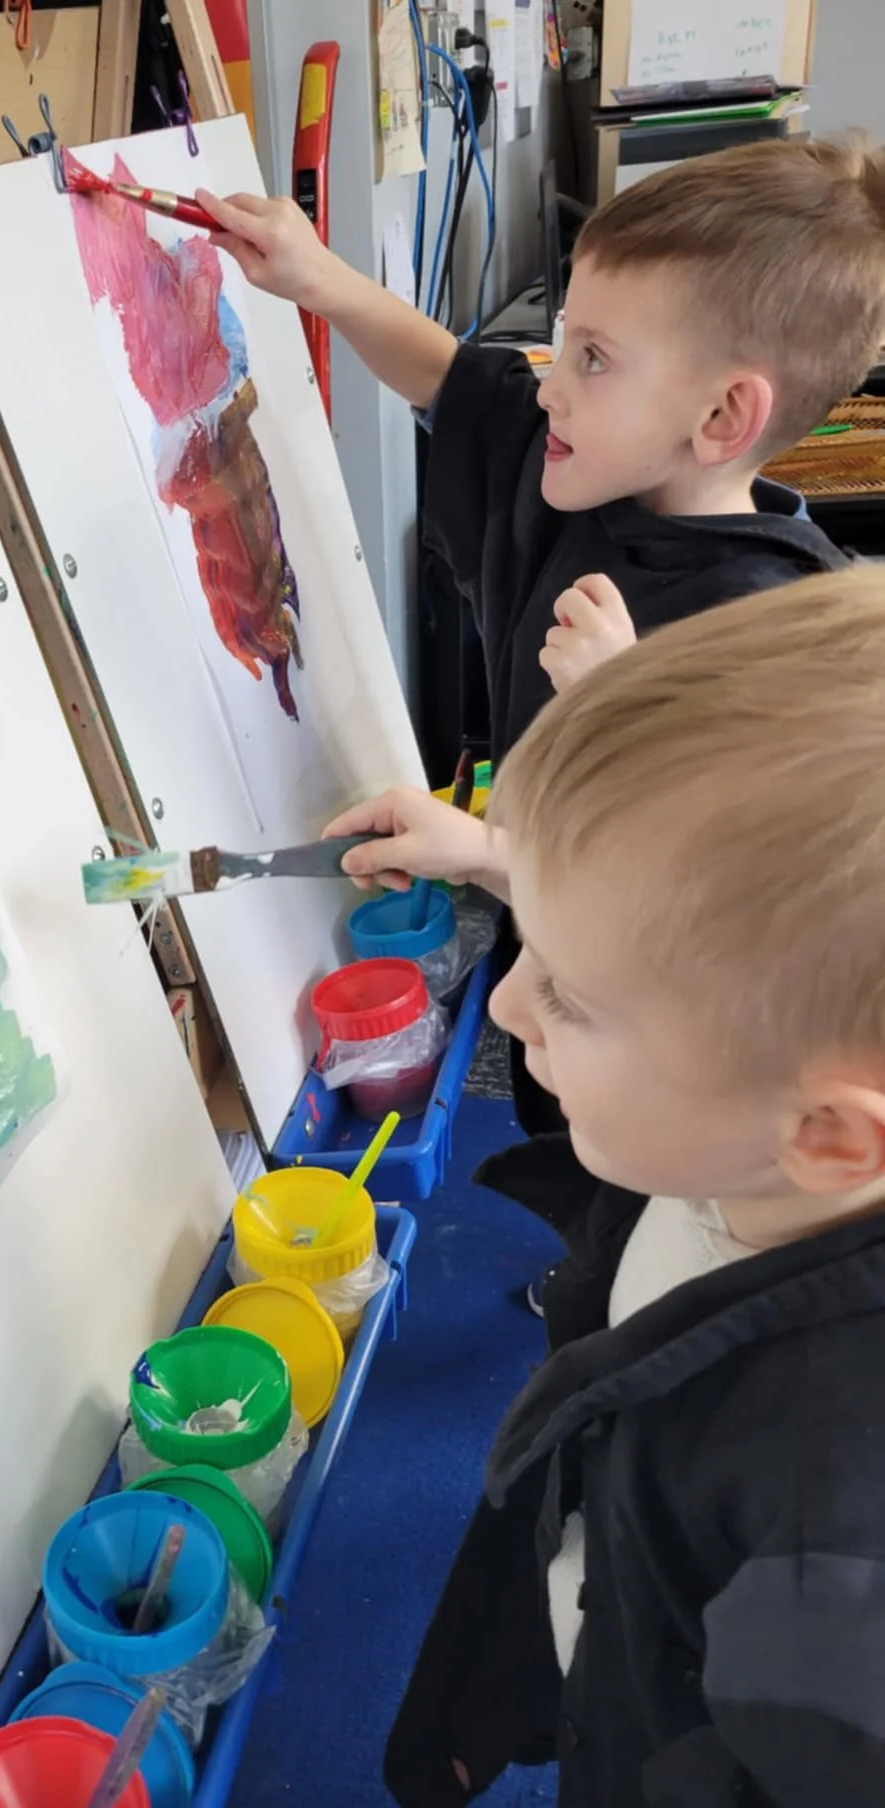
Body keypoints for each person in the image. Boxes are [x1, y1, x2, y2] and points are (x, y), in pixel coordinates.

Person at [380, 572, 885, 1808]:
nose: (517, 1014)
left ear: (834, 1136)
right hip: (662, 1648)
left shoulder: (832, 1512)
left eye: (573, 998)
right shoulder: (762, 1150)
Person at [200, 138, 881, 1158]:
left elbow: (694, 914)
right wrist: (316, 277)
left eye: (595, 358)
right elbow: (449, 378)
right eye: (565, 342)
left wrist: (617, 712)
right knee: (556, 1131)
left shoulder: (767, 632)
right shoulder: (584, 465)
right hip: (552, 965)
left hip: (677, 1072)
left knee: (627, 1198)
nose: (552, 385)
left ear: (723, 414)